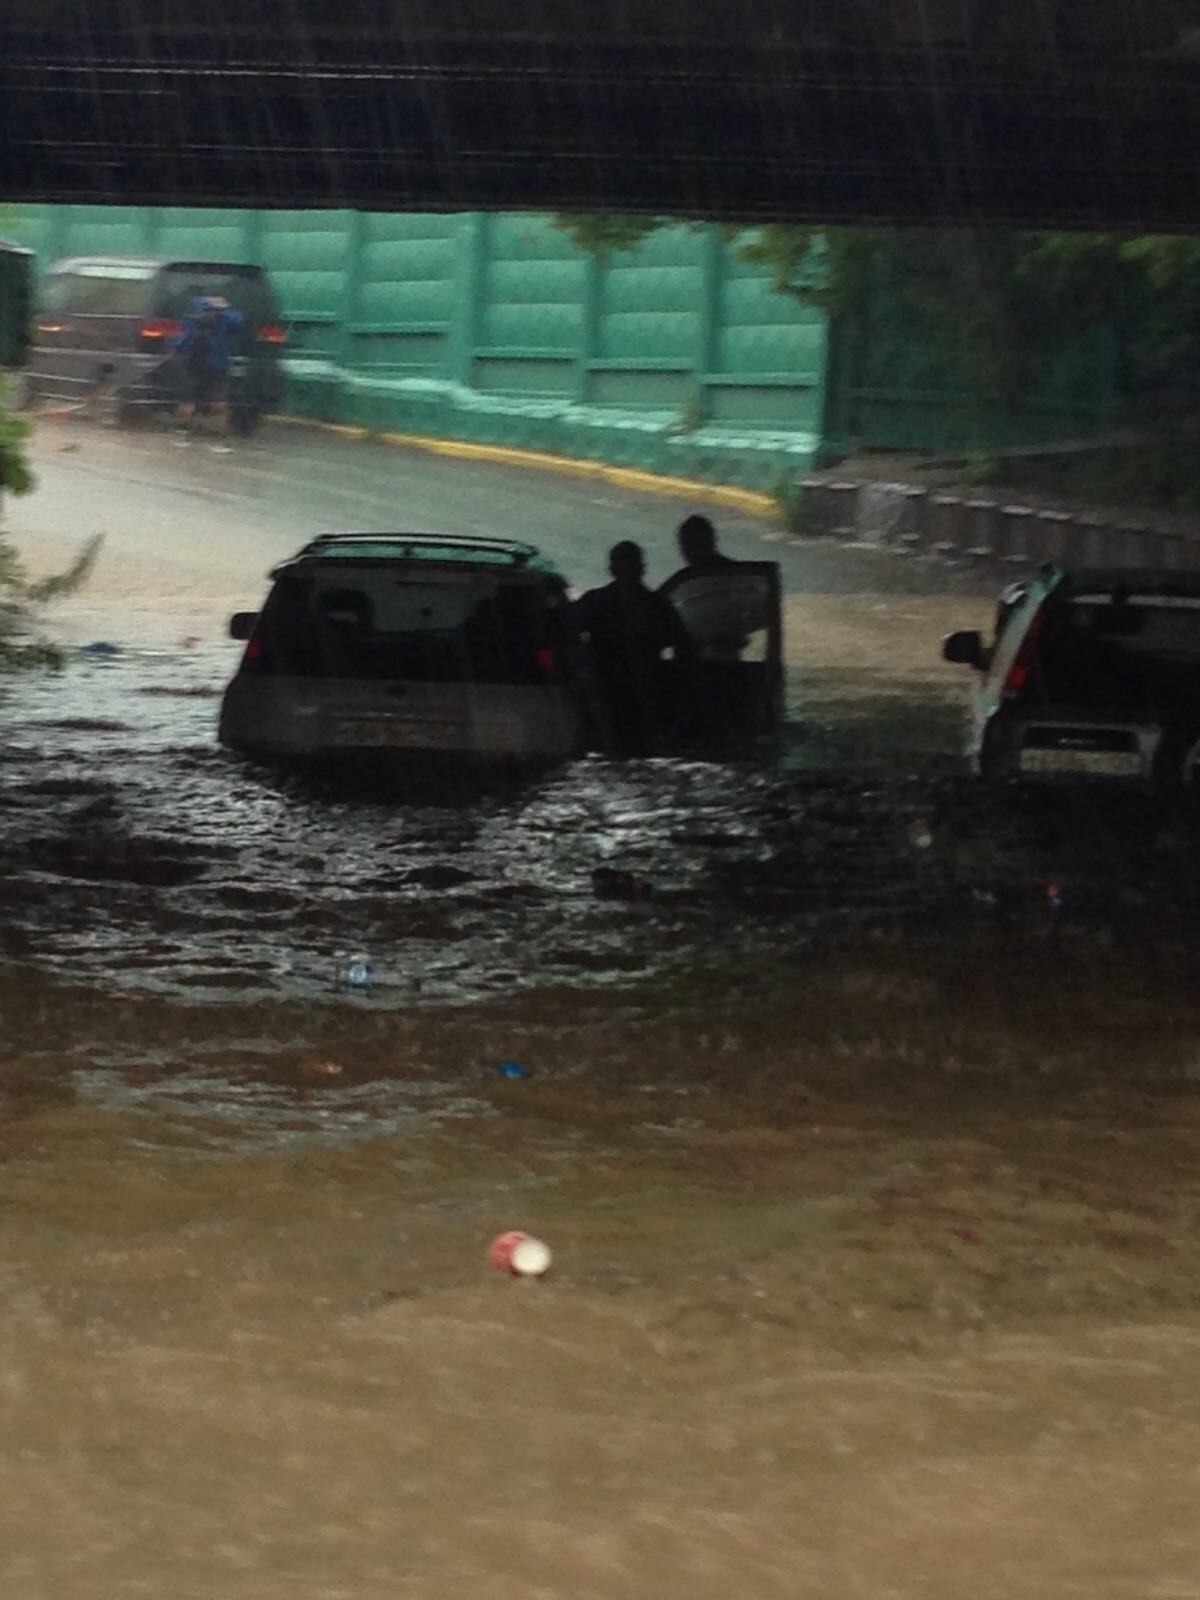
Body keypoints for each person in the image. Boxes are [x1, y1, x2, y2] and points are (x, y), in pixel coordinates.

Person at [573, 540, 693, 757]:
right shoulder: (658, 605)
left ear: (611, 569)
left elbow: (566, 636)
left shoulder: (595, 602)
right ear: (643, 568)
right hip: (642, 692)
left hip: (610, 692)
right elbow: (684, 648)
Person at [659, 512, 767, 661]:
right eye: (684, 544)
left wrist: (731, 631)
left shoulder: (725, 576)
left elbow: (761, 612)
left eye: (690, 544)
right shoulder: (691, 577)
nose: (685, 551)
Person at [171, 295, 244, 449]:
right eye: (207, 310)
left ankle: (220, 439)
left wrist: (225, 308)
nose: (212, 314)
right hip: (192, 369)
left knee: (220, 405)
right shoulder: (191, 325)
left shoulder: (225, 323)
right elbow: (179, 346)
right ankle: (181, 431)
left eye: (215, 311)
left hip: (217, 369)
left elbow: (239, 320)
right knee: (188, 405)